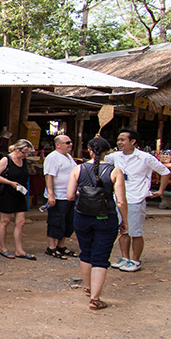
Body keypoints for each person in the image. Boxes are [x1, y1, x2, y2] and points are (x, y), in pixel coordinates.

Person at [67, 137, 128, 310]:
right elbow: (121, 202)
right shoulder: (115, 171)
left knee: (86, 252)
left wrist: (86, 196)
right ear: (107, 152)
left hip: (82, 216)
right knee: (101, 257)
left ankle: (88, 287)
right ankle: (95, 298)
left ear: (89, 150)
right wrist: (125, 221)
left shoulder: (78, 169)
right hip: (106, 217)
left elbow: (70, 196)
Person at [105, 129, 170, 272]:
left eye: (123, 140)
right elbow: (101, 159)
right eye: (118, 140)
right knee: (122, 230)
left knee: (135, 232)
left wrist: (160, 191)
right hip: (119, 198)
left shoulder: (145, 157)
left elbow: (165, 172)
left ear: (133, 141)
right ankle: (124, 257)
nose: (119, 143)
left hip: (136, 199)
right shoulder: (114, 156)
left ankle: (135, 260)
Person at [0, 139, 36, 260]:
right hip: (7, 193)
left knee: (21, 222)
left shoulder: (23, 160)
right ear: (17, 149)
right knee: (5, 221)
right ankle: (3, 248)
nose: (25, 155)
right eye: (24, 152)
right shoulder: (6, 160)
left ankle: (19, 249)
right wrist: (10, 183)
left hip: (20, 193)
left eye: (28, 153)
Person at [43, 134, 78, 259]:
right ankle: (51, 247)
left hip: (69, 194)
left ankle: (61, 245)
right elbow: (49, 176)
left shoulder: (68, 156)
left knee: (68, 221)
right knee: (56, 220)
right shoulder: (53, 157)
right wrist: (51, 195)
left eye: (70, 142)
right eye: (67, 143)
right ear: (58, 144)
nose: (70, 145)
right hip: (58, 195)